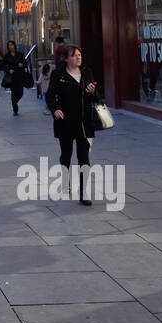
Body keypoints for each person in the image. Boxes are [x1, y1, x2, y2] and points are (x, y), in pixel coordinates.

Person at [45, 45, 100, 206]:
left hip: (84, 122)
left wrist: (92, 91)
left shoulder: (87, 72)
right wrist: (55, 110)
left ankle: (84, 192)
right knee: (66, 155)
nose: (78, 57)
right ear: (66, 59)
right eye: (74, 55)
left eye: (79, 55)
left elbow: (97, 97)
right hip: (65, 121)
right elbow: (50, 96)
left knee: (84, 157)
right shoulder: (58, 75)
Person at [2, 40, 28, 116]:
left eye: (12, 45)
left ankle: (14, 102)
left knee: (21, 93)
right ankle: (15, 109)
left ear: (14, 45)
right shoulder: (7, 56)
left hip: (20, 76)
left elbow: (25, 64)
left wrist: (22, 65)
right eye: (9, 45)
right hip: (12, 77)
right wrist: (8, 70)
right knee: (13, 93)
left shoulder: (20, 54)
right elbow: (3, 66)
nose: (10, 46)